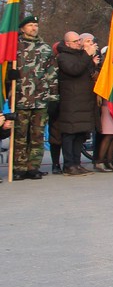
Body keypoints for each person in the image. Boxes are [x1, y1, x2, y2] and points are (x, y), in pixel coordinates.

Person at [12, 16, 59, 180]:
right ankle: (19, 167)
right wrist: (9, 77)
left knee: (37, 135)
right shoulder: (14, 47)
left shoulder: (45, 48)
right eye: (30, 25)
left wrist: (53, 96)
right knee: (20, 135)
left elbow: (52, 73)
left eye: (36, 25)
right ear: (22, 28)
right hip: (20, 98)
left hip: (40, 99)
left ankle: (33, 167)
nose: (34, 28)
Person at [56, 31, 99, 176]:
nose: (79, 43)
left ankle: (77, 163)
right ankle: (69, 165)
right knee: (70, 134)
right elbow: (75, 70)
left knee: (80, 134)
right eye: (75, 41)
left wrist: (92, 61)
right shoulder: (63, 57)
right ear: (67, 43)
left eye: (79, 40)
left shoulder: (81, 55)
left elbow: (89, 72)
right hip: (71, 101)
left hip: (84, 100)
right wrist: (87, 55)